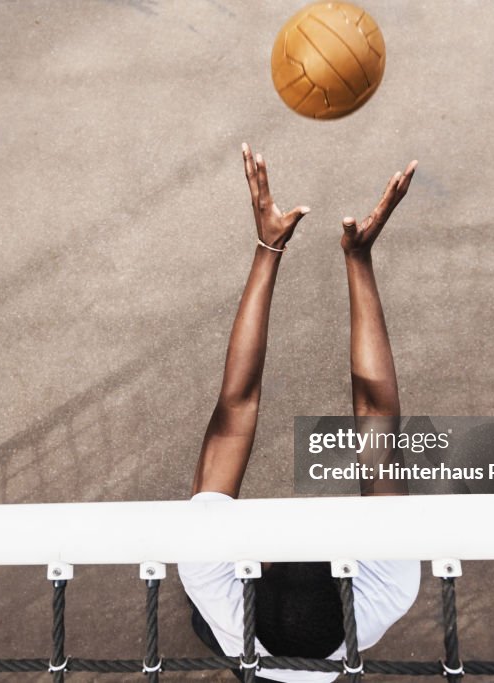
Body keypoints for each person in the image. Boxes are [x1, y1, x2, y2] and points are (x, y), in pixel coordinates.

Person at [177, 144, 421, 682]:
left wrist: (268, 248)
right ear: (349, 579)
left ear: (251, 575)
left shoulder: (210, 579)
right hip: (260, 622)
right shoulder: (390, 583)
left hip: (228, 625)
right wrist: (359, 260)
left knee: (203, 621)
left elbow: (236, 405)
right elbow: (377, 416)